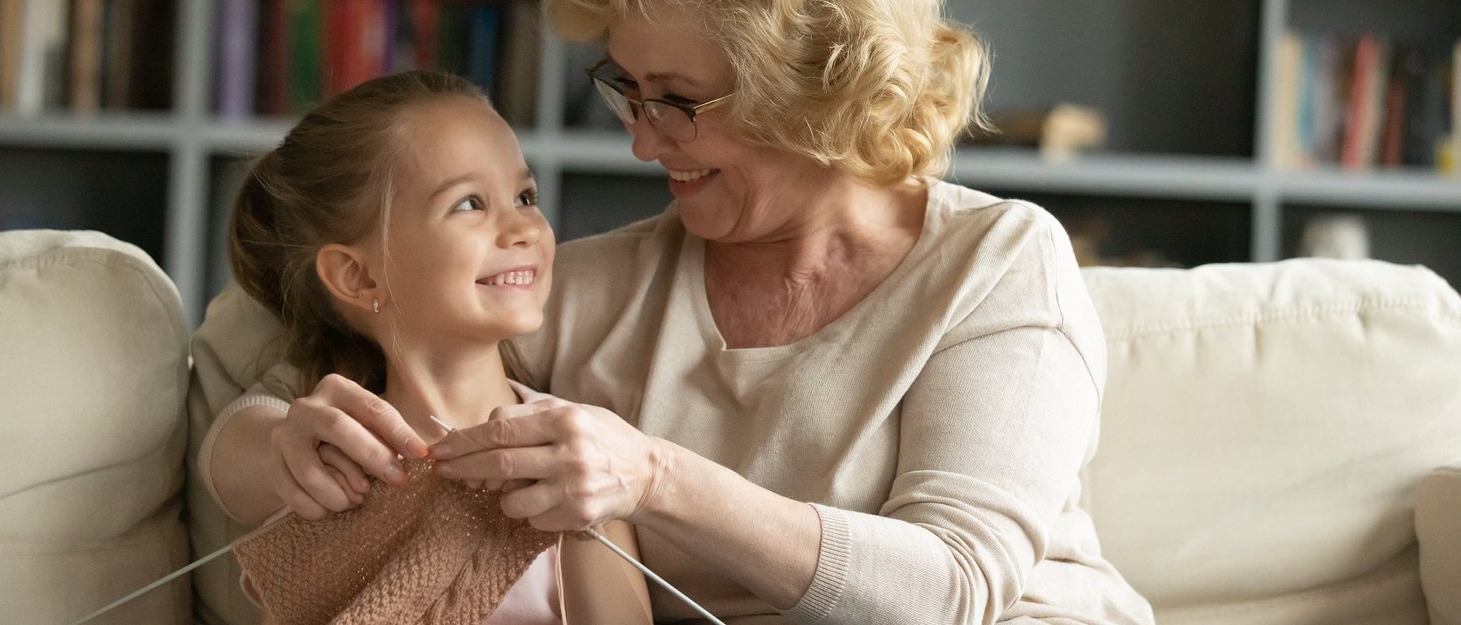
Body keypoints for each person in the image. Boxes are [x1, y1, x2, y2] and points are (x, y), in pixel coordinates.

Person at [194, 0, 1158, 622]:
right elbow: (277, 372)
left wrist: (652, 475)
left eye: (679, 101)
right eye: (629, 92)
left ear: (815, 97)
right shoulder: (589, 286)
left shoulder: (995, 262)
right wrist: (276, 446)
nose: (644, 143)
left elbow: (953, 588)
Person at [206, 69, 650, 624]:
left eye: (525, 196)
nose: (524, 229)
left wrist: (586, 515)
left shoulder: (581, 455)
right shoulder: (327, 474)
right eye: (469, 204)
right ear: (358, 276)